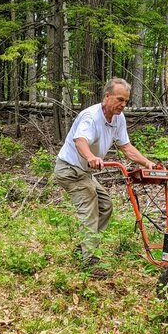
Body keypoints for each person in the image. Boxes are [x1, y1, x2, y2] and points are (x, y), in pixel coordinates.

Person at [54, 77, 156, 276]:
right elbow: (80, 140)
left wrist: (146, 162)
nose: (123, 105)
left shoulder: (118, 118)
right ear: (107, 96)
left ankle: (84, 248)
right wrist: (91, 156)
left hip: (83, 172)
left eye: (126, 101)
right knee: (90, 207)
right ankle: (90, 261)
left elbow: (126, 147)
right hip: (70, 169)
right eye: (119, 99)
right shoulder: (91, 116)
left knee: (106, 205)